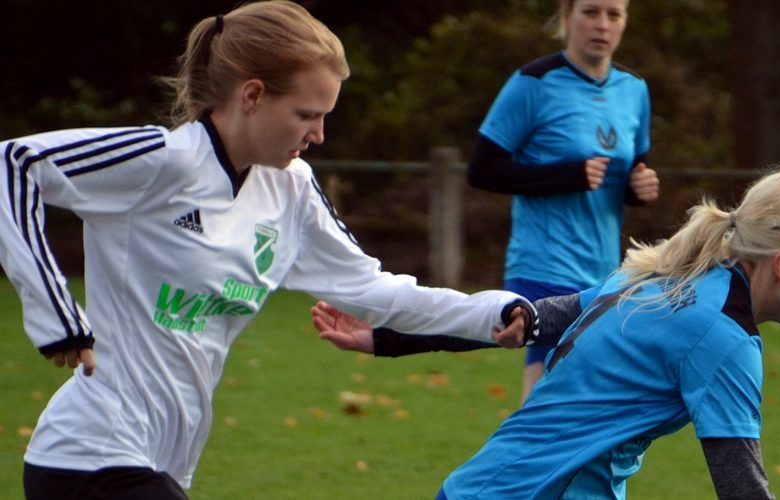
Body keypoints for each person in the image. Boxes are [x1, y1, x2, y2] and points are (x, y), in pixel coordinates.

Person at [0, 2, 535, 498]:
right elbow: (12, 164)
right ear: (252, 96)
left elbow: (373, 291)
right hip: (88, 456)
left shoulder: (291, 187)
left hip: (163, 465)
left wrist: (491, 310)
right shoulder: (162, 161)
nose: (320, 134)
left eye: (325, 115)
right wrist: (58, 314)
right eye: (306, 114)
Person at [313, 166, 780, 499]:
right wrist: (388, 336)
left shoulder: (667, 279)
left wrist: (389, 338)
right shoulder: (721, 334)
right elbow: (742, 486)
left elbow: (525, 319)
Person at [464, 0, 659, 401]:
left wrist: (639, 189)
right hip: (543, 263)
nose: (602, 25)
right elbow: (482, 169)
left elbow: (629, 170)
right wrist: (565, 175)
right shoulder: (533, 82)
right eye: (590, 12)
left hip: (604, 272)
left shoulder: (634, 89)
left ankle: (539, 463)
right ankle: (524, 462)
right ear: (567, 16)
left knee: (586, 394)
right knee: (548, 391)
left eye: (613, 14)